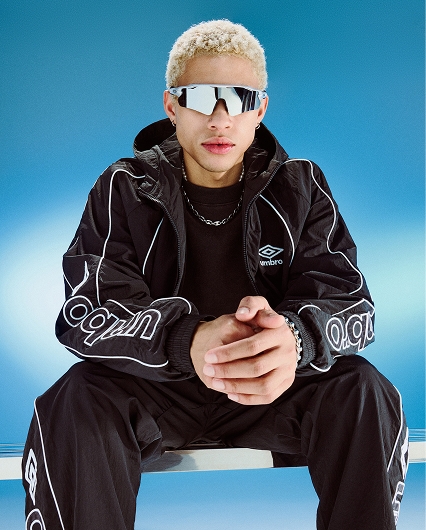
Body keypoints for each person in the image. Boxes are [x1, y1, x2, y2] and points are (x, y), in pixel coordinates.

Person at [22, 19, 408, 530]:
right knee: (75, 397)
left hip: (271, 390)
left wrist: (294, 339)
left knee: (364, 388)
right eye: (201, 98)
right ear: (172, 107)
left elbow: (353, 305)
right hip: (159, 390)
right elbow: (84, 314)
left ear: (260, 110)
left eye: (240, 99)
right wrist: (188, 340)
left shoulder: (301, 185)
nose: (221, 119)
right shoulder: (124, 187)